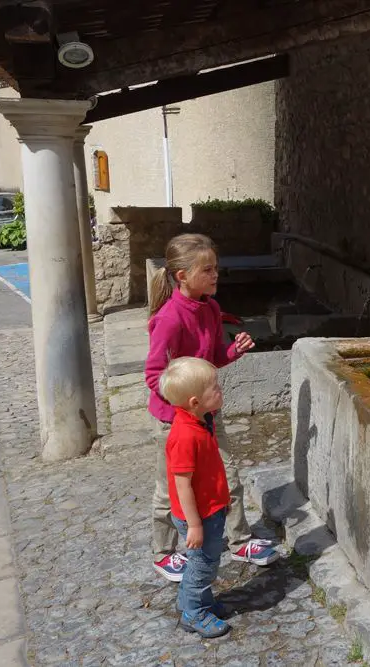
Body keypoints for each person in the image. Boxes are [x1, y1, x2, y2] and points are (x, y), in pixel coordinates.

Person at [145, 233, 279, 583]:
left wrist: (233, 351)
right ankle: (163, 553)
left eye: (216, 268)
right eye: (207, 270)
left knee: (226, 475)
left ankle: (240, 541)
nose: (215, 275)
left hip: (206, 415)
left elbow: (212, 359)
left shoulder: (211, 308)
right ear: (182, 276)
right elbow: (153, 374)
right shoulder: (170, 319)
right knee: (170, 486)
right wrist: (181, 413)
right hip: (174, 421)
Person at [159, 357, 232, 638]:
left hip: (211, 508)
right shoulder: (185, 436)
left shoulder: (202, 420)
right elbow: (182, 485)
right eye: (214, 387)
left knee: (206, 561)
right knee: (202, 565)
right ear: (194, 402)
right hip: (199, 515)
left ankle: (197, 601)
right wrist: (195, 525)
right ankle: (193, 612)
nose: (220, 389)